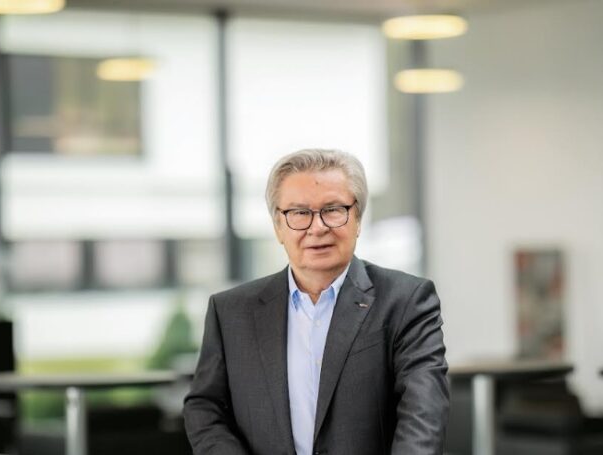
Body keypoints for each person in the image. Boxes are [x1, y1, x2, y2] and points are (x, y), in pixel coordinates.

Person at [184, 149, 450, 455]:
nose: (318, 227)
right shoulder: (231, 312)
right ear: (278, 226)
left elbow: (424, 414)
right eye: (299, 213)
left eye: (333, 209)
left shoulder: (407, 301)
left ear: (357, 219)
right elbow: (205, 407)